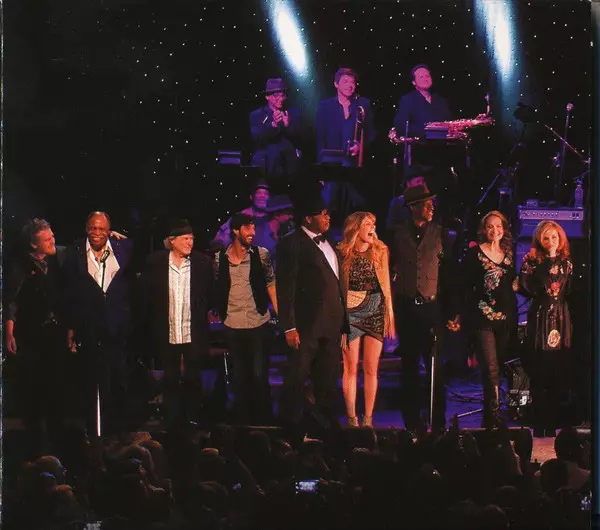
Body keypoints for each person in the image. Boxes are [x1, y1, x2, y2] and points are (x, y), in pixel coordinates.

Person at [276, 194, 349, 441]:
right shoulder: (291, 243)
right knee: (297, 377)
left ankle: (322, 430)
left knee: (327, 379)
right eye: (322, 213)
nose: (328, 217)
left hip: (332, 324)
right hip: (305, 326)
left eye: (328, 213)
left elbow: (338, 285)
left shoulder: (331, 244)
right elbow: (286, 288)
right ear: (308, 218)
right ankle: (289, 433)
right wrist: (289, 326)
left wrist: (345, 324)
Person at [390, 185, 460, 432]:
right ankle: (412, 423)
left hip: (432, 309)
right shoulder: (396, 234)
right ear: (413, 208)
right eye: (426, 204)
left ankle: (437, 423)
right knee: (409, 367)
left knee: (435, 368)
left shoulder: (442, 234)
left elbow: (449, 275)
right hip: (406, 308)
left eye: (432, 203)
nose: (431, 208)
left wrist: (452, 312)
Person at [63, 211, 135, 437]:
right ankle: (93, 431)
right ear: (86, 229)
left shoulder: (124, 248)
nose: (96, 233)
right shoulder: (74, 252)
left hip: (117, 326)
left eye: (102, 229)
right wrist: (72, 327)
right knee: (91, 379)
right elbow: (69, 293)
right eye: (93, 228)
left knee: (117, 378)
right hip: (88, 326)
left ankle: (117, 430)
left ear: (109, 231)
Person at [138, 219, 214, 430]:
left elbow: (209, 295)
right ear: (172, 241)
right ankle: (171, 423)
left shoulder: (202, 263)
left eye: (192, 239)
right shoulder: (156, 263)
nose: (190, 243)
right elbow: (146, 297)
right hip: (167, 331)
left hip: (192, 331)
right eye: (186, 239)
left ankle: (193, 420)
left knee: (193, 378)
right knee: (170, 378)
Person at [3, 219, 65, 455]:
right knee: (34, 392)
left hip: (54, 336)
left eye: (52, 236)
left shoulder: (56, 260)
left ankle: (57, 447)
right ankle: (36, 448)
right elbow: (11, 301)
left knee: (56, 391)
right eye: (46, 239)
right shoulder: (20, 267)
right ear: (33, 244)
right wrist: (9, 332)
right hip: (31, 337)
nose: (52, 241)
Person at [214, 213, 278, 425]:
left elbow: (270, 283)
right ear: (235, 231)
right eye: (247, 228)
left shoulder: (261, 254)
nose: (252, 232)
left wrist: (281, 315)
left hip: (258, 322)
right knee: (239, 377)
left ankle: (264, 422)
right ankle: (242, 423)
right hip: (232, 324)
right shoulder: (220, 258)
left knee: (259, 375)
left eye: (253, 228)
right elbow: (218, 285)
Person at [337, 212, 395, 427]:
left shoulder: (380, 250)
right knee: (350, 368)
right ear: (356, 228)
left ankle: (368, 420)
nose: (372, 227)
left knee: (371, 368)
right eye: (367, 224)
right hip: (351, 313)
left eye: (374, 223)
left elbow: (386, 285)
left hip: (375, 311)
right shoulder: (342, 252)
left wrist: (389, 315)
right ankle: (352, 419)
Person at [461, 211, 518, 429]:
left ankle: (491, 415)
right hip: (482, 318)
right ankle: (494, 417)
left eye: (499, 226)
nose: (495, 230)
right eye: (490, 226)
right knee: (490, 367)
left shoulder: (509, 254)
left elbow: (512, 284)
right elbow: (465, 286)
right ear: (484, 230)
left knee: (499, 367)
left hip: (505, 319)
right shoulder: (474, 253)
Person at [518, 220, 573, 438]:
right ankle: (538, 422)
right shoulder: (532, 262)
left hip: (560, 317)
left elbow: (565, 286)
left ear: (560, 239)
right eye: (546, 238)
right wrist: (539, 261)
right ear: (540, 240)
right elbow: (525, 286)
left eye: (554, 237)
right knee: (539, 369)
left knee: (556, 370)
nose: (551, 241)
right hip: (540, 316)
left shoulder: (566, 262)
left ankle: (552, 423)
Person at [249, 78, 304, 191]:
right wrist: (273, 125)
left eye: (283, 95)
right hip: (266, 167)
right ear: (267, 97)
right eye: (276, 95)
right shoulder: (257, 115)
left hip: (288, 168)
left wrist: (287, 125)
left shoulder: (294, 113)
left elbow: (302, 139)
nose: (280, 99)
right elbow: (256, 138)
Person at [212, 179, 290, 255]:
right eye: (259, 193)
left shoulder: (276, 218)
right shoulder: (241, 217)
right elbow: (219, 241)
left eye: (265, 193)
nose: (262, 196)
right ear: (251, 196)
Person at [392, 64, 452, 139]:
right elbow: (400, 128)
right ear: (414, 82)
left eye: (427, 76)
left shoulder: (441, 101)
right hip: (419, 144)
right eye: (421, 77)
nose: (425, 79)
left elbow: (450, 125)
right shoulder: (407, 100)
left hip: (442, 143)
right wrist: (427, 129)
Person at [385, 164, 430, 230]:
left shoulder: (429, 202)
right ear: (408, 183)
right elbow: (390, 227)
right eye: (418, 181)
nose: (421, 184)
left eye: (422, 181)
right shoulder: (397, 203)